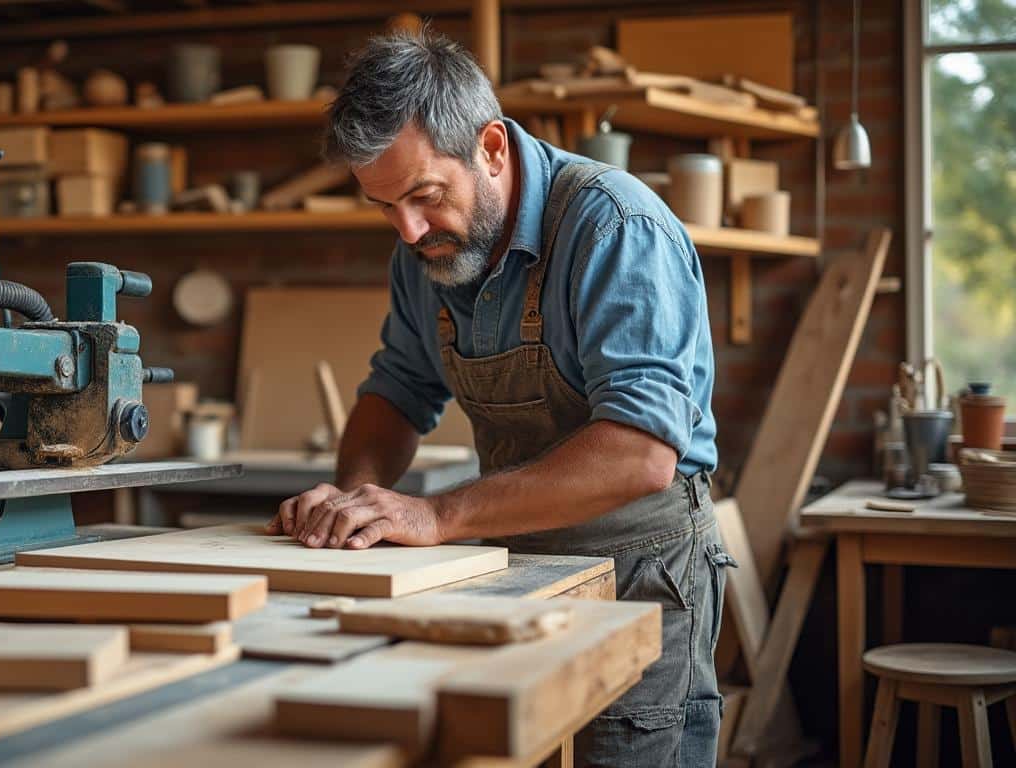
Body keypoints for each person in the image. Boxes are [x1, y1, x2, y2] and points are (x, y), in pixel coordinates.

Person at [266, 29, 730, 765]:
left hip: (640, 566)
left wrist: (438, 513)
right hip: (510, 566)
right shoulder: (426, 251)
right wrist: (352, 505)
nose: (410, 231)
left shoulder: (614, 226)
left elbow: (641, 454)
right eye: (385, 207)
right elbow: (396, 392)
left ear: (490, 147)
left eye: (423, 196)